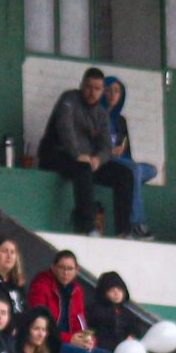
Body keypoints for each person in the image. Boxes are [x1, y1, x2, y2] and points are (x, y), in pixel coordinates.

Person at [38, 67, 135, 238]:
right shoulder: (69, 99)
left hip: (87, 161)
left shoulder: (102, 114)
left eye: (97, 89)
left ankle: (124, 231)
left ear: (102, 91)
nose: (92, 92)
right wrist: (77, 154)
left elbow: (106, 146)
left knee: (125, 175)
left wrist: (98, 159)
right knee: (83, 168)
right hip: (56, 155)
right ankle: (88, 228)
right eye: (89, 87)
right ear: (82, 85)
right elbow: (65, 129)